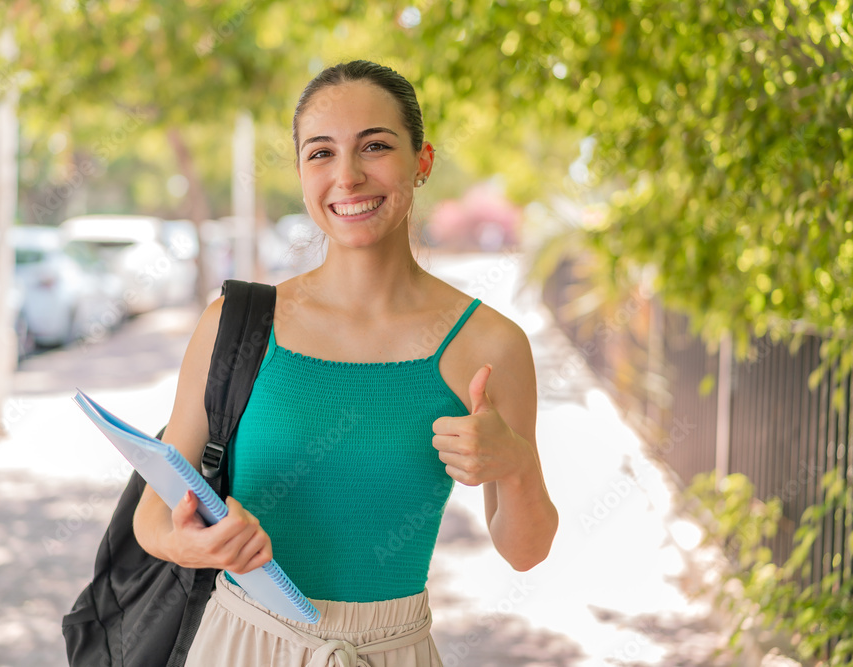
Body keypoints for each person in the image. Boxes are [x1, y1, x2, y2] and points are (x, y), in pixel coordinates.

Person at [133, 59, 559, 666]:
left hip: (390, 650)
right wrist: (192, 544)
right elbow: (152, 516)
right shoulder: (234, 324)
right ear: (303, 172)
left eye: (376, 146)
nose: (349, 176)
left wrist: (516, 466)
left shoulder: (489, 345)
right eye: (321, 153)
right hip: (240, 642)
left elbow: (526, 551)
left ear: (423, 161)